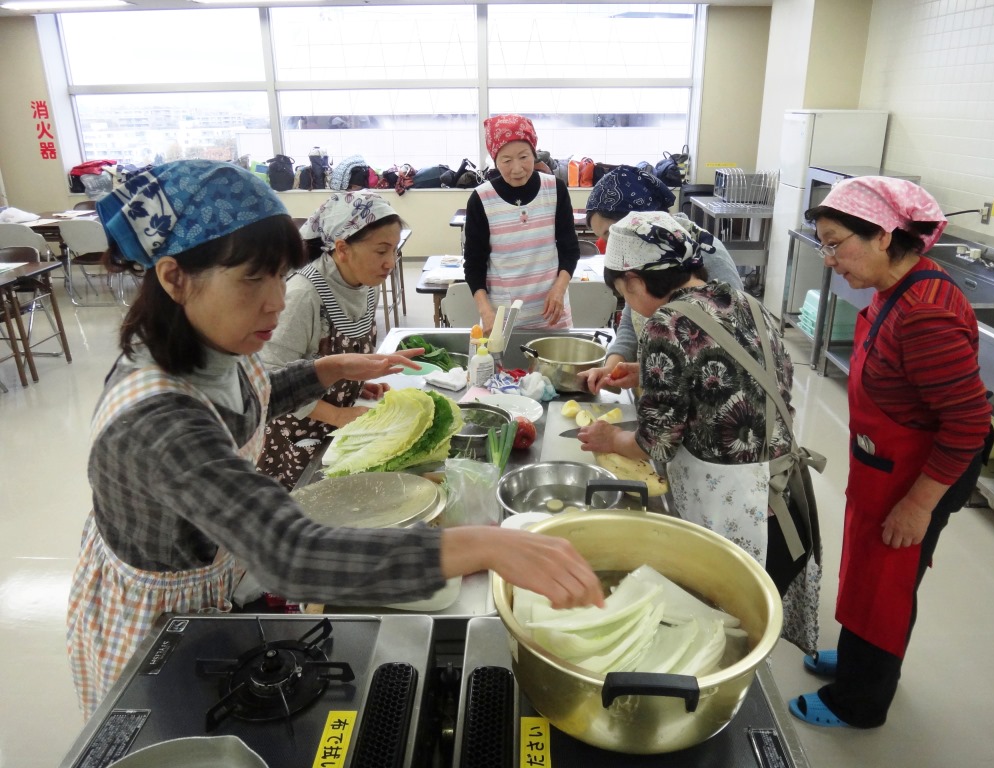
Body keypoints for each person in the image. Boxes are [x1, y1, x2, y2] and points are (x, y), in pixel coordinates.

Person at [66, 160, 604, 718]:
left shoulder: (211, 351)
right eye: (253, 277)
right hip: (156, 625)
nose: (276, 300)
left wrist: (329, 368)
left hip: (214, 585)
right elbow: (289, 551)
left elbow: (256, 388)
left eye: (280, 274)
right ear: (174, 277)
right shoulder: (156, 422)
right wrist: (488, 545)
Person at [790, 177, 992, 729]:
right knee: (867, 572)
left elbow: (969, 423)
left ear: (883, 236)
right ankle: (859, 661)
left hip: (920, 472)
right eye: (823, 246)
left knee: (889, 584)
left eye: (836, 243)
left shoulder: (925, 313)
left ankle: (861, 702)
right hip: (886, 461)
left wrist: (919, 505)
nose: (829, 259)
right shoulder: (895, 287)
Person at [576, 210, 822, 651]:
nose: (628, 303)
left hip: (728, 502)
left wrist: (610, 440)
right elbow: (728, 380)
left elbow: (658, 441)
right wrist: (644, 374)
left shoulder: (664, 324)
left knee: (722, 626)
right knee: (754, 605)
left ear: (633, 279)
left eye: (621, 292)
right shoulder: (743, 301)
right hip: (782, 492)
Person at [257, 191, 401, 489]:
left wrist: (355, 381)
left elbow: (335, 361)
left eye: (395, 250)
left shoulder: (365, 284)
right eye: (381, 251)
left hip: (335, 433)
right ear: (342, 248)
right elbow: (269, 382)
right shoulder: (304, 296)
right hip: (294, 438)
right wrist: (337, 413)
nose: (391, 262)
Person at [578, 165, 745, 393]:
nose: (610, 246)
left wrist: (658, 375)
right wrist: (612, 369)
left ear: (637, 221)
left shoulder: (703, 250)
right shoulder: (642, 261)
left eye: (611, 233)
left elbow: (733, 350)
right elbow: (631, 320)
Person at [463, 113, 580, 334]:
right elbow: (473, 264)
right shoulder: (481, 199)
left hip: (552, 317)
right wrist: (485, 312)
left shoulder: (555, 189)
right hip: (501, 318)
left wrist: (559, 289)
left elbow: (570, 250)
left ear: (534, 154)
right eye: (506, 161)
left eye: (524, 157)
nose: (517, 168)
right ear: (495, 160)